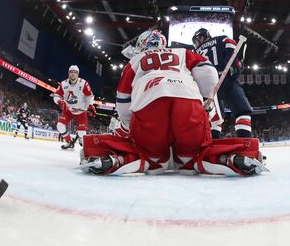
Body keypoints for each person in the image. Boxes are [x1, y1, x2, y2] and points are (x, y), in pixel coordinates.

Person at [79, 30, 267, 176]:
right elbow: (208, 72)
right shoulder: (183, 52)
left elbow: (123, 101)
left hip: (149, 104)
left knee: (150, 155)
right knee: (194, 154)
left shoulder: (136, 60)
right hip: (188, 100)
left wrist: (130, 125)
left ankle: (113, 157)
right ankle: (234, 157)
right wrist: (207, 93)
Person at [192, 28, 253, 138]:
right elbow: (231, 45)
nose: (196, 44)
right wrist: (236, 67)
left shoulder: (195, 52)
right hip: (226, 80)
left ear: (201, 37)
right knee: (242, 112)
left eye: (196, 41)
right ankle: (245, 144)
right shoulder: (222, 38)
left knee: (214, 120)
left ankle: (213, 148)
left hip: (208, 87)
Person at [52, 65, 96, 150]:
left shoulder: (83, 83)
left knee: (82, 136)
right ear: (68, 73)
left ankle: (80, 139)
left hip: (81, 111)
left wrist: (90, 105)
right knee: (60, 126)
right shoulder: (63, 84)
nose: (73, 74)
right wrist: (59, 101)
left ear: (78, 74)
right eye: (71, 72)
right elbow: (56, 95)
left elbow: (89, 96)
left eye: (75, 72)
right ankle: (69, 142)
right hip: (68, 110)